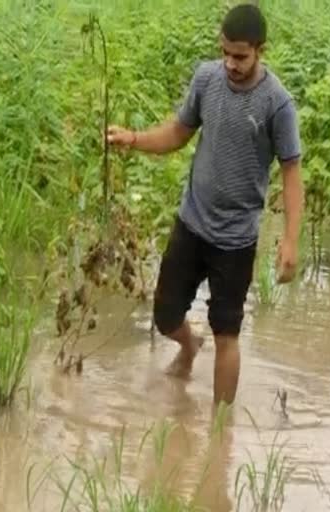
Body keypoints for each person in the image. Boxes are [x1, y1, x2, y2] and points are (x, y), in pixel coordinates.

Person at [107, 4, 304, 405]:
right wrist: (134, 139)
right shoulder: (206, 79)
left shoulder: (277, 104)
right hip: (191, 221)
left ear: (260, 50)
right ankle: (188, 344)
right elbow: (178, 133)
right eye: (226, 53)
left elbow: (291, 172)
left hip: (235, 239)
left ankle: (219, 432)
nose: (231, 64)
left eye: (241, 56)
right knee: (164, 315)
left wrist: (290, 240)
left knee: (227, 331)